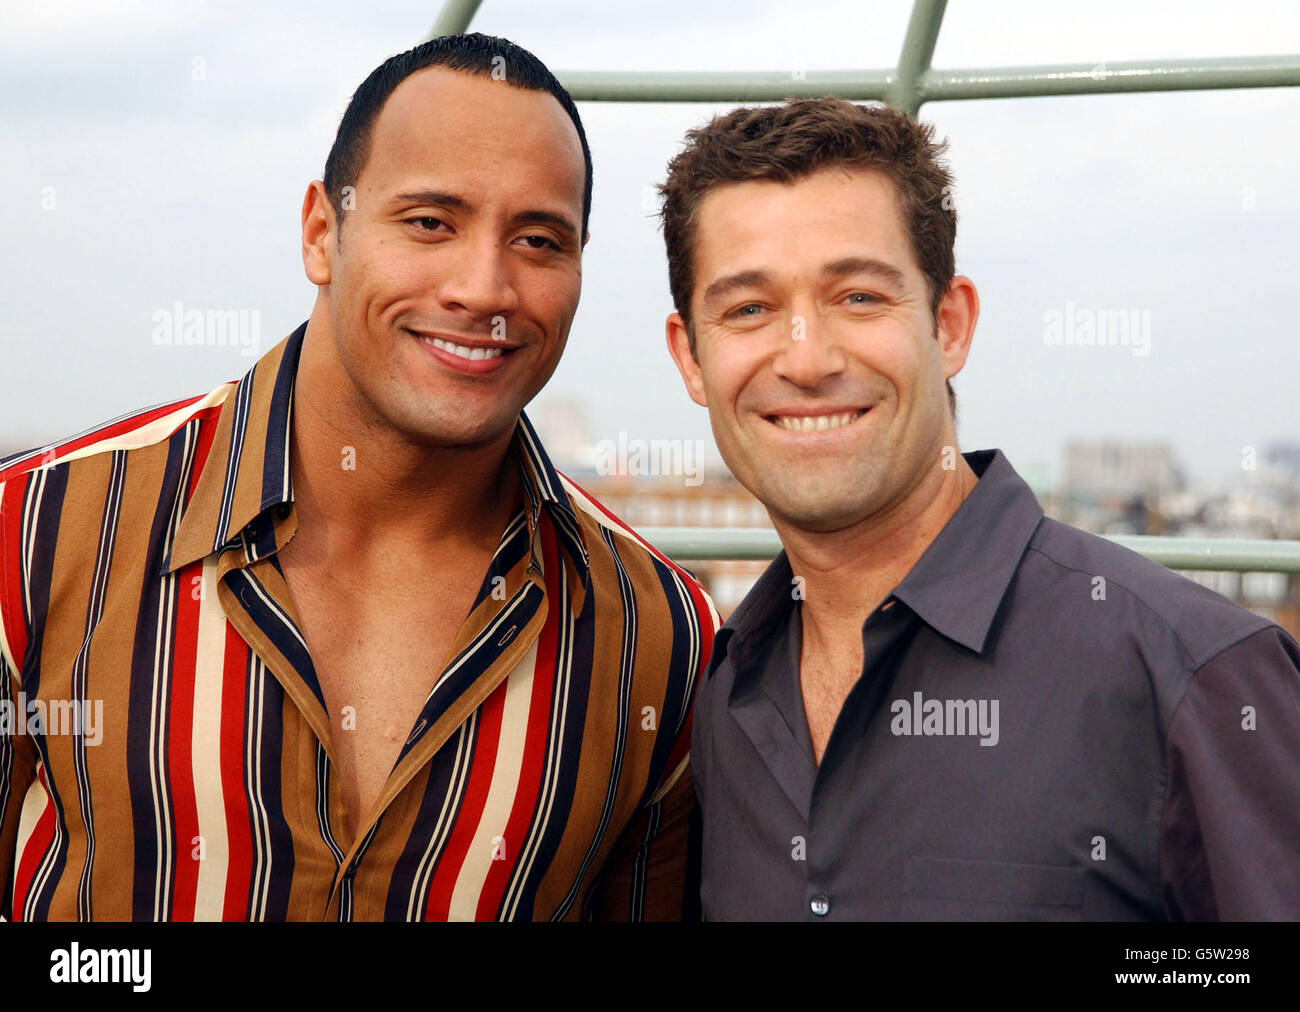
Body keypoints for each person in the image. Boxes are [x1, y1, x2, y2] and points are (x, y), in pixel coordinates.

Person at [0, 33, 716, 922]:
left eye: (538, 239)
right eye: (429, 222)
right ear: (321, 232)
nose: (482, 286)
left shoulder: (662, 633)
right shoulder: (34, 534)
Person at [659, 97, 1300, 920]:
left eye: (857, 296)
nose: (807, 358)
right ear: (692, 358)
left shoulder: (1194, 676)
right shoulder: (722, 694)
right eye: (748, 308)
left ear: (950, 324)